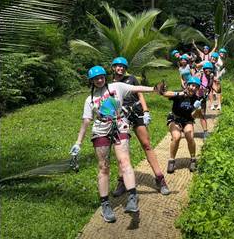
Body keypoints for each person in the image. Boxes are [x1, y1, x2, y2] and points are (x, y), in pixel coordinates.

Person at [69, 65, 166, 223]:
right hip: (100, 130)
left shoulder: (117, 86)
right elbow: (86, 120)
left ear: (105, 77)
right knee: (104, 167)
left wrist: (154, 88)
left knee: (124, 161)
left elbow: (135, 88)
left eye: (101, 77)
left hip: (120, 125)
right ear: (91, 81)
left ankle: (132, 198)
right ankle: (105, 204)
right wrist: (78, 142)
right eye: (96, 78)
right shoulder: (89, 100)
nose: (99, 80)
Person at [110, 56, 170, 197]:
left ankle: (160, 179)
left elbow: (140, 95)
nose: (121, 68)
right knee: (122, 149)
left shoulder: (131, 79)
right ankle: (122, 181)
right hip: (121, 116)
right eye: (118, 66)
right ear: (113, 68)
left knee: (146, 144)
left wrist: (146, 111)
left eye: (123, 66)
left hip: (136, 112)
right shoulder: (109, 85)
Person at [162, 76, 203, 174]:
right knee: (176, 137)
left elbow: (194, 116)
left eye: (196, 87)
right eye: (192, 85)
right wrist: (178, 94)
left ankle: (193, 159)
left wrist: (198, 109)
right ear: (187, 85)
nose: (193, 88)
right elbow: (165, 94)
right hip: (174, 118)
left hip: (187, 119)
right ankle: (171, 160)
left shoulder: (196, 99)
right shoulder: (179, 93)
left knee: (190, 137)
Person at [194, 62, 215, 140]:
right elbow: (192, 84)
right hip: (194, 97)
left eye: (209, 69)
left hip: (202, 98)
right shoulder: (200, 75)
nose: (208, 70)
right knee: (189, 113)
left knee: (202, 115)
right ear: (204, 69)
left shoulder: (211, 77)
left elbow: (211, 88)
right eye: (206, 69)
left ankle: (205, 132)